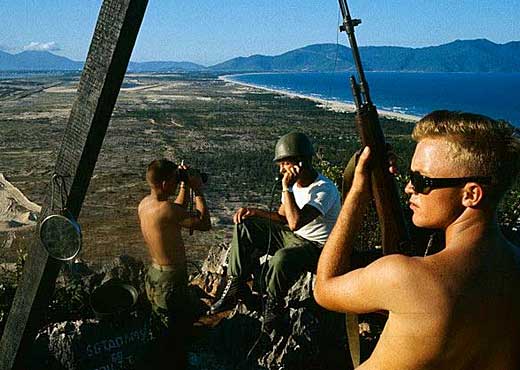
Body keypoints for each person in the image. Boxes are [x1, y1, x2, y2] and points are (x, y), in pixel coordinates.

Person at [315, 110, 520, 369]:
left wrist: (358, 192)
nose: (409, 187)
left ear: (471, 194)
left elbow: (324, 288)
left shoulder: (405, 279)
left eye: (421, 180)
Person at [210, 132, 341, 332]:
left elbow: (295, 222)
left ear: (300, 163)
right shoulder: (295, 186)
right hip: (293, 237)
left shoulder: (324, 189)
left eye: (284, 163)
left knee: (282, 257)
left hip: (317, 248)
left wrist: (286, 189)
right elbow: (283, 218)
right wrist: (254, 213)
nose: (281, 170)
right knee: (246, 225)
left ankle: (274, 304)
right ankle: (236, 282)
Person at [138, 159, 211, 369]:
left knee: (163, 328)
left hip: (155, 277)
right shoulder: (168, 211)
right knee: (174, 334)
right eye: (173, 180)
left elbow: (175, 210)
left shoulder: (146, 204)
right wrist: (197, 191)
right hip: (170, 282)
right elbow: (204, 223)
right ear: (163, 184)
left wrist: (183, 184)